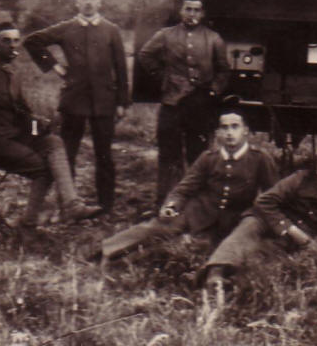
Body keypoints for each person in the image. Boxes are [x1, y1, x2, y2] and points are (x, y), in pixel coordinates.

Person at [0, 22, 103, 226]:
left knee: (53, 142)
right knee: (43, 168)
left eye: (16, 41)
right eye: (6, 41)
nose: (12, 45)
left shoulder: (12, 74)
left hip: (6, 140)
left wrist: (38, 125)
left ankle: (72, 205)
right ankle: (29, 222)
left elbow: (21, 112)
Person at [96, 107, 278, 261]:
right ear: (218, 133)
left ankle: (149, 259)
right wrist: (171, 205)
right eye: (224, 128)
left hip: (233, 220)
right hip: (199, 212)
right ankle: (104, 251)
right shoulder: (208, 158)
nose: (229, 133)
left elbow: (273, 196)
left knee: (205, 250)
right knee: (161, 226)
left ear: (245, 130)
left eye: (235, 127)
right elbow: (184, 188)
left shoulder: (260, 159)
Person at [23, 0, 130, 212]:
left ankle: (106, 205)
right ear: (77, 2)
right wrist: (55, 66)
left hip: (104, 101)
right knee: (67, 153)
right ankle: (69, 205)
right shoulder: (67, 28)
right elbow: (32, 41)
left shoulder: (111, 30)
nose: (88, 2)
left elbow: (121, 67)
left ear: (99, 2)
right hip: (74, 100)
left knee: (104, 154)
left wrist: (122, 102)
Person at [202, 143, 317, 300]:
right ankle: (215, 273)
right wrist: (292, 230)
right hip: (265, 219)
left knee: (265, 260)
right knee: (247, 230)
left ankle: (232, 287)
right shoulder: (300, 179)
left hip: (290, 242)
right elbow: (264, 201)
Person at [138, 0, 231, 210]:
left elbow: (224, 70)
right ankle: (164, 202)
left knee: (198, 155)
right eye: (188, 9)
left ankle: (196, 205)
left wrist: (213, 91)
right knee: (168, 154)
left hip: (200, 105)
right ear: (181, 11)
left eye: (196, 10)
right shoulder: (166, 35)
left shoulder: (213, 38)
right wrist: (164, 78)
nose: (192, 14)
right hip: (172, 103)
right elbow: (145, 55)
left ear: (202, 13)